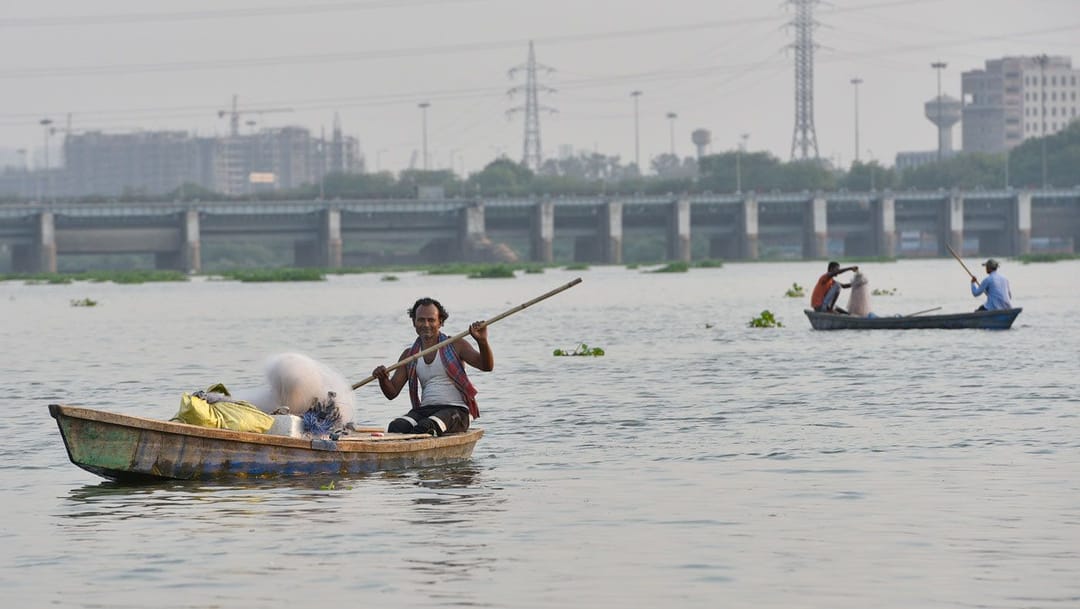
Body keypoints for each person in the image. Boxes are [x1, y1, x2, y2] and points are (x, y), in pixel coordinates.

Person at [372, 297, 494, 437]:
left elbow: (487, 366)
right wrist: (382, 378)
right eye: (421, 320)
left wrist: (482, 341)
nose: (426, 324)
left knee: (426, 427)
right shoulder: (410, 355)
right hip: (425, 410)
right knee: (396, 427)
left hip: (456, 411)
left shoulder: (456, 344)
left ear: (440, 322)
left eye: (431, 320)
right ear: (414, 322)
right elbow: (392, 393)